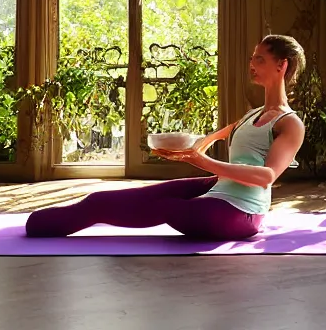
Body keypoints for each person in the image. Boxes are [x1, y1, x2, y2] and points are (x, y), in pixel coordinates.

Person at [25, 35, 307, 241]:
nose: (251, 64)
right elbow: (229, 130)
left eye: (259, 58)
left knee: (162, 208)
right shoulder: (255, 113)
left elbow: (267, 176)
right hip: (218, 187)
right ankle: (50, 221)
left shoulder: (290, 124)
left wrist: (201, 160)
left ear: (282, 66)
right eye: (251, 57)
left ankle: (59, 222)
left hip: (243, 211)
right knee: (103, 199)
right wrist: (196, 145)